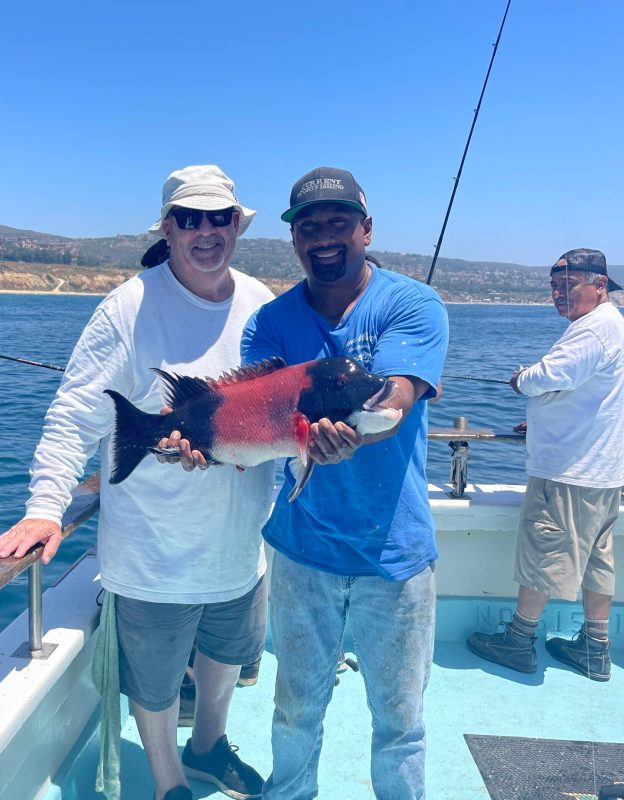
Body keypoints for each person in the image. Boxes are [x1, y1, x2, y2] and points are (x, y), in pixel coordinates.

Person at [0, 164, 275, 800]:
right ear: (167, 229)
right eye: (189, 219)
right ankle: (168, 782)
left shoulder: (263, 304)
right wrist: (45, 509)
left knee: (227, 657)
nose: (206, 232)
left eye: (218, 218)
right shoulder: (126, 307)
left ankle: (208, 748)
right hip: (153, 551)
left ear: (237, 226)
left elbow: (280, 410)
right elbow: (72, 418)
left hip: (240, 545)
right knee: (153, 676)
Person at [207, 166, 447, 800]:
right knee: (294, 712)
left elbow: (397, 395)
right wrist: (203, 446)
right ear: (294, 240)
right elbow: (254, 421)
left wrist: (365, 423)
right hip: (302, 549)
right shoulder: (272, 322)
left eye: (339, 222)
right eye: (308, 227)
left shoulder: (412, 304)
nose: (323, 237)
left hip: (394, 555)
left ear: (366, 229)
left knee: (400, 723)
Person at [467, 248, 624, 682]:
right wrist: (542, 417)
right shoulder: (613, 326)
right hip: (604, 472)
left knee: (545, 550)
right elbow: (587, 393)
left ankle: (518, 642)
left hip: (569, 472)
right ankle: (594, 648)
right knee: (598, 560)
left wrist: (521, 379)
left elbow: (546, 377)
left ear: (599, 285)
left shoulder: (593, 330)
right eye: (554, 286)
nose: (558, 294)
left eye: (568, 285)